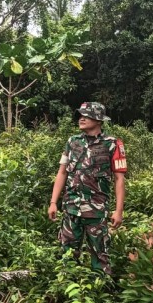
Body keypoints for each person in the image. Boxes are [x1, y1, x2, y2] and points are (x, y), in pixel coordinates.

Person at [48, 102, 127, 274]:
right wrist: (53, 202)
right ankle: (70, 292)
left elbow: (119, 179)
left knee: (100, 256)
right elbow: (62, 173)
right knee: (67, 255)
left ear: (99, 120)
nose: (81, 118)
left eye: (87, 115)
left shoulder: (112, 144)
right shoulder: (72, 142)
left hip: (96, 211)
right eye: (80, 115)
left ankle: (101, 292)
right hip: (71, 208)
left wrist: (118, 211)